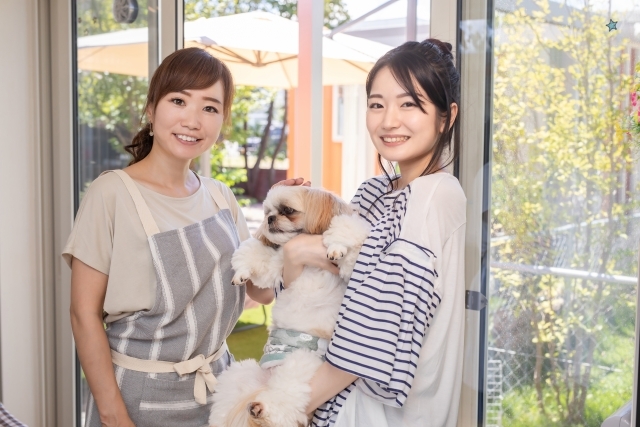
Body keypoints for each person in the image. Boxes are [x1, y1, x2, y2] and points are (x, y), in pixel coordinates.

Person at [64, 47, 301, 427]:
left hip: (219, 392)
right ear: (152, 107)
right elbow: (83, 314)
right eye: (178, 100)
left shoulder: (220, 196)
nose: (192, 120)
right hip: (137, 398)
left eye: (210, 107)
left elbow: (260, 293)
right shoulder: (112, 194)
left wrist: (277, 221)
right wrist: (114, 417)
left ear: (222, 120)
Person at [281, 39, 466, 427]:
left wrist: (283, 408)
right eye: (377, 104)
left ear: (446, 116)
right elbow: (317, 291)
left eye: (409, 104)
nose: (388, 121)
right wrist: (296, 239)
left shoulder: (434, 195)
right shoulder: (376, 192)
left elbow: (376, 326)